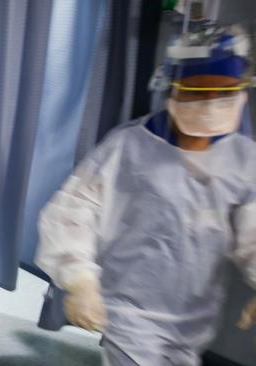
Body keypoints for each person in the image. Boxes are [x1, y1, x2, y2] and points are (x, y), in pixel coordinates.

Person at [35, 25, 256, 365]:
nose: (211, 103)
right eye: (198, 92)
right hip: (130, 312)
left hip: (196, 320)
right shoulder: (129, 147)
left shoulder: (243, 161)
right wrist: (79, 279)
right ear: (173, 90)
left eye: (223, 93)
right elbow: (72, 211)